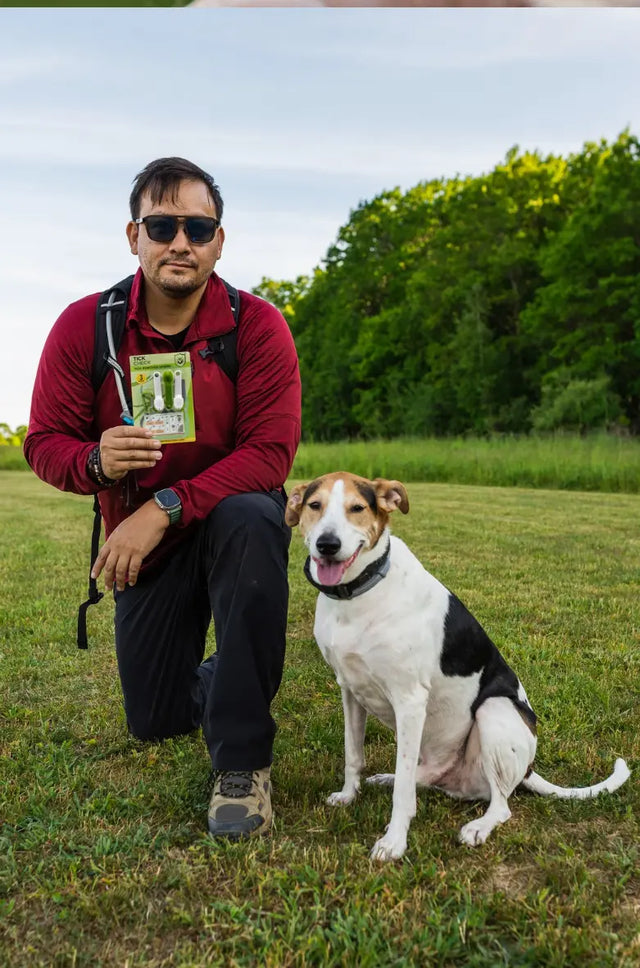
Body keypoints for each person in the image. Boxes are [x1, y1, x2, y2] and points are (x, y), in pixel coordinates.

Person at [24, 157, 301, 840]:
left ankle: (242, 766)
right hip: (146, 549)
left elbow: (269, 455)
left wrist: (165, 506)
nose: (181, 241)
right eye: (163, 224)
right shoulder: (86, 326)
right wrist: (94, 460)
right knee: (156, 720)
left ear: (219, 241)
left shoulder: (258, 326)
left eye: (198, 226)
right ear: (133, 235)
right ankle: (230, 666)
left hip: (223, 525)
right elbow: (43, 442)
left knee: (252, 512)